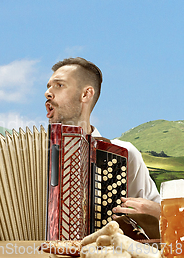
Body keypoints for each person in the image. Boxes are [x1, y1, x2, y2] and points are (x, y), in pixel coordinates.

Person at [45, 57, 161, 219]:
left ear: (86, 94)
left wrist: (156, 212)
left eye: (59, 85)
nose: (48, 93)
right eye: (48, 86)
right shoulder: (33, 153)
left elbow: (162, 221)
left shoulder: (123, 154)